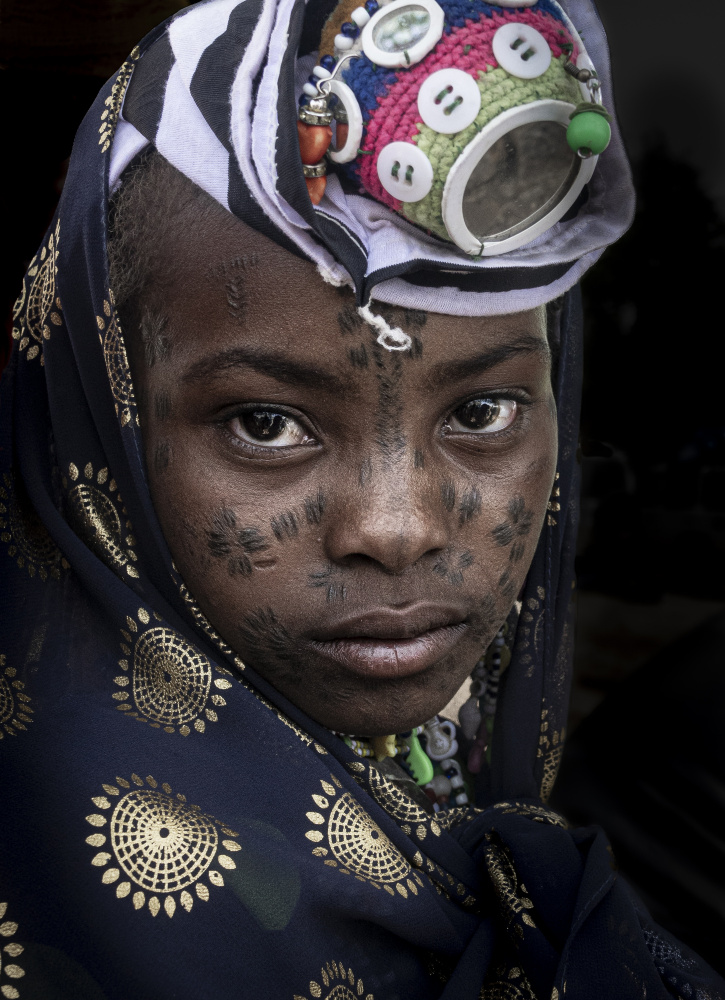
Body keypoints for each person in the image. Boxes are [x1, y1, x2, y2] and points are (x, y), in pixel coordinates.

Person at [0, 0, 722, 997]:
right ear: (100, 419)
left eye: (481, 410)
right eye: (265, 424)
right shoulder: (94, 892)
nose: (397, 527)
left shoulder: (452, 744)